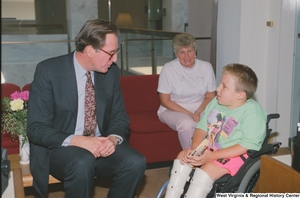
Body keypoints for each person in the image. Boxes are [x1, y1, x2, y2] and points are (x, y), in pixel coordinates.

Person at [27, 19, 146, 198]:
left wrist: (112, 139)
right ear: (90, 50)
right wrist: (78, 140)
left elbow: (119, 117)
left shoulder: (111, 72)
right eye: (111, 53)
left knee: (136, 162)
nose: (115, 59)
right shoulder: (48, 71)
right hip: (60, 148)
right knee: (83, 161)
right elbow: (36, 128)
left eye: (116, 52)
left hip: (99, 142)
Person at [165, 63, 267, 198]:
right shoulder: (216, 102)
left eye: (224, 86)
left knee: (207, 170)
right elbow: (201, 127)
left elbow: (247, 145)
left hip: (236, 154)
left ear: (240, 95)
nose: (217, 89)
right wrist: (195, 150)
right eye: (220, 84)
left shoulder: (252, 112)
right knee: (183, 157)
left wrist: (211, 157)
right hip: (211, 148)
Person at [157, 33, 216, 149]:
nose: (186, 56)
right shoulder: (168, 69)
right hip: (172, 109)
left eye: (189, 51)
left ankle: (214, 159)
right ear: (176, 54)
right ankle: (191, 160)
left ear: (195, 51)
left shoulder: (206, 67)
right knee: (188, 124)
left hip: (201, 108)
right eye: (182, 52)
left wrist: (198, 111)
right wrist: (189, 114)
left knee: (217, 120)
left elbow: (210, 96)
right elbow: (165, 101)